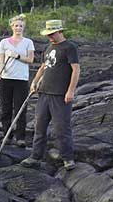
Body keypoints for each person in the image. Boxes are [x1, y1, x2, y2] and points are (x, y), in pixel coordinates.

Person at [21, 19, 81, 170]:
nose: (50, 37)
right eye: (48, 34)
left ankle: (67, 158)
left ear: (60, 31)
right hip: (44, 93)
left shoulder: (70, 47)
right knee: (39, 127)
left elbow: (76, 69)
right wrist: (34, 82)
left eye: (52, 34)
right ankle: (35, 156)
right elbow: (43, 67)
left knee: (62, 128)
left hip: (60, 95)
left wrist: (71, 90)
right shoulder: (48, 47)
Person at [0, 14, 34, 147]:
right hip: (6, 79)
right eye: (16, 25)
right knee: (5, 109)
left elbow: (30, 60)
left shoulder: (28, 42)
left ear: (24, 28)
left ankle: (20, 138)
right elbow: (1, 60)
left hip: (21, 80)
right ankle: (7, 135)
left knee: (20, 109)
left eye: (21, 26)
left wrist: (16, 56)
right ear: (12, 26)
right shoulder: (4, 43)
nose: (19, 28)